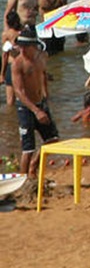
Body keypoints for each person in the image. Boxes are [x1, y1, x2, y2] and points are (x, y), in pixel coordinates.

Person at [11, 26, 59, 176]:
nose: (22, 50)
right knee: (28, 148)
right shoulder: (17, 64)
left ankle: (34, 165)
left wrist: (47, 95)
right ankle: (23, 179)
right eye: (21, 47)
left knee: (54, 139)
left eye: (25, 47)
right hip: (26, 107)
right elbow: (19, 91)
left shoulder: (42, 56)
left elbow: (43, 74)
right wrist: (36, 111)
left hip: (41, 103)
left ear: (34, 46)